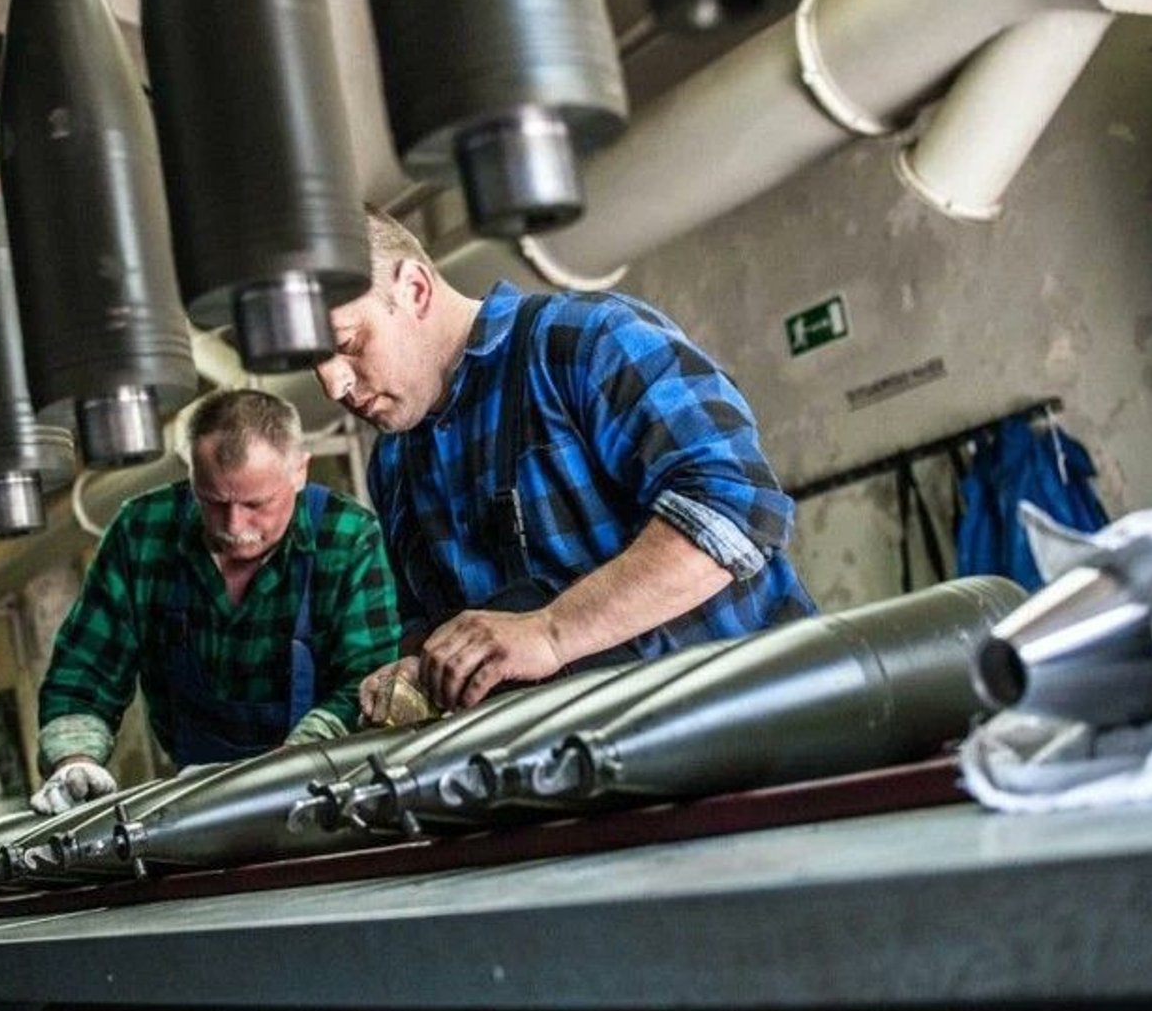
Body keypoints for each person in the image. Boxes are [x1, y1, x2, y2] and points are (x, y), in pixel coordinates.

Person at [316, 207, 816, 715]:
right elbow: (429, 623)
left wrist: (551, 631)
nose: (333, 385)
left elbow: (734, 508)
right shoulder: (393, 463)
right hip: (600, 753)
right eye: (314, 364)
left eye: (348, 343)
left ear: (415, 290)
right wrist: (420, 670)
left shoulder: (587, 342)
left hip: (763, 717)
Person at [30, 388, 400, 814]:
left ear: (299, 471)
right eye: (213, 501)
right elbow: (85, 673)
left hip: (324, 791)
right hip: (195, 802)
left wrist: (297, 759)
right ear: (192, 475)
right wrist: (74, 760)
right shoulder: (141, 533)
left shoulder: (347, 537)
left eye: (256, 504)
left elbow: (370, 681)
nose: (234, 526)